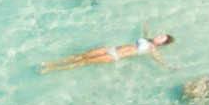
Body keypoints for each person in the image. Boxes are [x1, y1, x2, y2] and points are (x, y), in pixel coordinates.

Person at [40, 31, 175, 72]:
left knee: (84, 62)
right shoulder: (147, 39)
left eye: (162, 38)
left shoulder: (152, 49)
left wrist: (169, 67)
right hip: (111, 49)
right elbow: (146, 31)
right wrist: (145, 23)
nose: (159, 36)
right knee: (81, 55)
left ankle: (52, 69)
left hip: (114, 56)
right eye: (161, 34)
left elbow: (158, 59)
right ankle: (52, 63)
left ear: (162, 43)